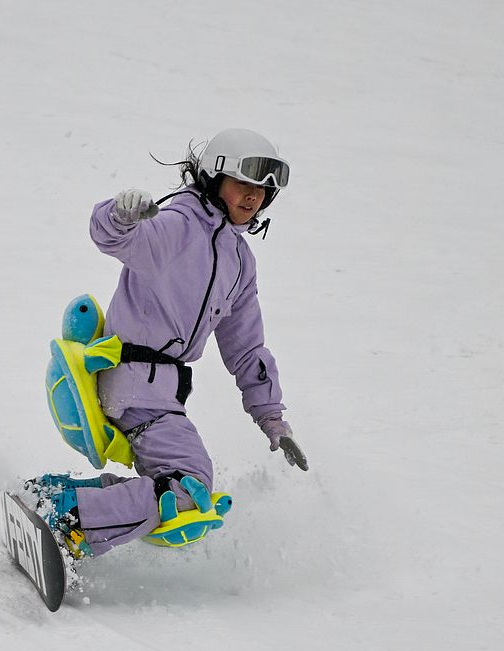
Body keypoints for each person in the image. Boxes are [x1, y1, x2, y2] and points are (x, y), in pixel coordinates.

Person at [38, 128, 308, 558]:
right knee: (189, 486)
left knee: (178, 487)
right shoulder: (179, 225)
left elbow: (247, 348)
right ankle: (68, 519)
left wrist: (271, 416)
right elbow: (112, 236)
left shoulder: (239, 261)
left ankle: (63, 496)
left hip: (162, 394)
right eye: (243, 183)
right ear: (214, 177)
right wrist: (120, 215)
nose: (253, 196)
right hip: (132, 382)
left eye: (262, 190)